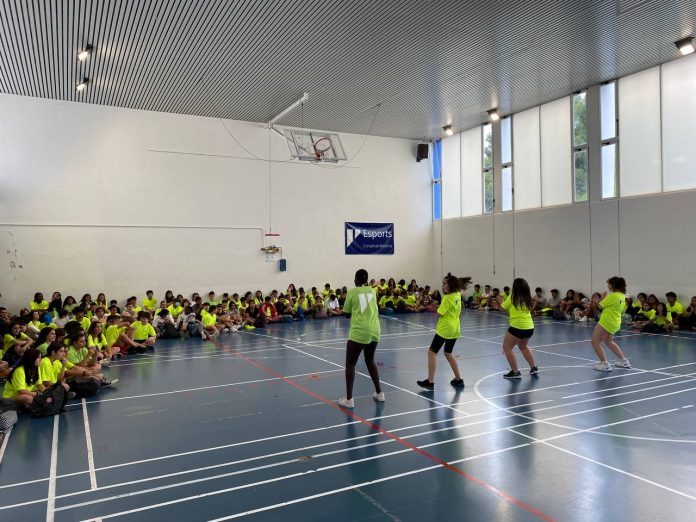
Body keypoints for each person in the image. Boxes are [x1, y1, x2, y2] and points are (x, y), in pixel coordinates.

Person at [338, 269, 384, 408]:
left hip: (359, 331)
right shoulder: (372, 291)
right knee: (370, 360)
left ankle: (349, 399)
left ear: (356, 279)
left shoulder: (352, 292)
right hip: (375, 329)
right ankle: (379, 393)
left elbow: (346, 313)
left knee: (350, 363)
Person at [417, 274, 470, 390]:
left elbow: (440, 312)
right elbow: (447, 308)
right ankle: (458, 379)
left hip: (445, 328)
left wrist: (433, 307)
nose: (443, 285)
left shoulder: (447, 297)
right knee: (448, 353)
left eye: (445, 283)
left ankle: (430, 382)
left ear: (450, 285)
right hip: (455, 328)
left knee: (432, 353)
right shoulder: (457, 294)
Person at [500, 278, 539, 379]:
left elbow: (503, 307)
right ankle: (534, 367)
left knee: (507, 348)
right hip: (529, 327)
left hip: (517, 327)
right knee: (523, 347)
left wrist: (500, 300)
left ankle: (515, 371)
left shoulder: (513, 296)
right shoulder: (527, 297)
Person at [590, 277, 631, 371]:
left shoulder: (613, 296)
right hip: (615, 322)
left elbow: (599, 306)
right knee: (608, 341)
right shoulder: (622, 296)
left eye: (609, 284)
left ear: (613, 285)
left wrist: (600, 299)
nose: (607, 286)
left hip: (606, 321)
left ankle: (604, 364)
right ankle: (623, 361)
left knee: (595, 342)